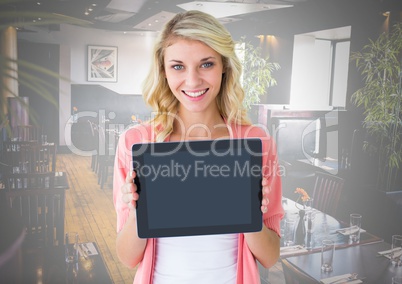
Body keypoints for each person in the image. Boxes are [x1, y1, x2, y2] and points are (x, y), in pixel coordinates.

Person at [113, 10, 284, 284]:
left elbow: (270, 256)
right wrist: (138, 212)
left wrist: (249, 214)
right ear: (163, 71)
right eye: (178, 66)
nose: (192, 81)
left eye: (206, 64)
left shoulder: (257, 143)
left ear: (224, 65)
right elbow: (127, 257)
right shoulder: (136, 142)